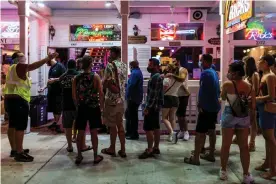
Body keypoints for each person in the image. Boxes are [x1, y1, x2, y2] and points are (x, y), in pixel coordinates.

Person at [4, 51, 58, 162]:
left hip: (10, 99)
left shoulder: (11, 68)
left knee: (12, 124)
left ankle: (15, 149)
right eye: (21, 56)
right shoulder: (18, 66)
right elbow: (33, 66)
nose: (24, 57)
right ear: (16, 59)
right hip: (19, 99)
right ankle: (19, 152)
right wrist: (47, 58)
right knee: (20, 126)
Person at [219, 61, 255, 183]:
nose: (228, 74)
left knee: (226, 145)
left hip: (230, 114)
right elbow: (252, 105)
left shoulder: (227, 84)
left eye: (230, 71)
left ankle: (223, 171)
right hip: (243, 117)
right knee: (244, 147)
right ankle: (246, 175)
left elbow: (223, 98)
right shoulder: (249, 86)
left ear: (236, 73)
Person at [184, 54, 220, 165]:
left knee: (200, 133)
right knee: (212, 129)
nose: (200, 63)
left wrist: (200, 104)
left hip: (206, 107)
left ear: (206, 62)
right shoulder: (214, 72)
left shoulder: (205, 74)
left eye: (201, 61)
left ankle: (195, 158)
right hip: (214, 106)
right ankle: (211, 154)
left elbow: (204, 91)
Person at [72, 56, 104, 165]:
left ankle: (79, 155)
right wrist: (102, 107)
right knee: (94, 132)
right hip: (94, 107)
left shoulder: (76, 78)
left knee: (80, 131)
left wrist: (78, 105)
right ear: (90, 64)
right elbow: (101, 92)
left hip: (81, 107)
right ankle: (95, 156)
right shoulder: (96, 77)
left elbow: (74, 96)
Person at [57, 59, 91, 153]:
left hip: (66, 104)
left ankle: (69, 146)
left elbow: (59, 86)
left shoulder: (63, 76)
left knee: (67, 126)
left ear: (67, 66)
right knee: (80, 125)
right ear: (75, 65)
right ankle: (81, 145)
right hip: (78, 104)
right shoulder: (79, 76)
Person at [101, 47, 127, 158]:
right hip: (121, 99)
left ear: (114, 53)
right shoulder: (124, 65)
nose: (109, 55)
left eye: (110, 52)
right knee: (120, 124)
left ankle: (112, 148)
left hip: (111, 99)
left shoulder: (110, 66)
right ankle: (123, 149)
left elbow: (104, 83)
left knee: (112, 126)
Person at [255, 54, 276, 180]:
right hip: (263, 109)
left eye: (260, 61)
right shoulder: (265, 75)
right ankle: (267, 163)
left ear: (266, 63)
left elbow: (271, 96)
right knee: (267, 138)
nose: (258, 62)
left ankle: (273, 169)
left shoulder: (270, 76)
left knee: (270, 139)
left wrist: (256, 98)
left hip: (268, 109)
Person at [232, 56, 259, 152]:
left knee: (253, 122)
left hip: (251, 101)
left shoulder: (254, 75)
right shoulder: (247, 75)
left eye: (244, 63)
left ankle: (252, 143)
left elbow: (255, 90)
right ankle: (238, 138)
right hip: (245, 102)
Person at [138, 58, 163, 159]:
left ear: (156, 66)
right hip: (156, 107)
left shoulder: (155, 77)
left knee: (148, 129)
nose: (148, 67)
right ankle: (156, 147)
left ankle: (149, 149)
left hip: (152, 107)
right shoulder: (157, 76)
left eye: (150, 65)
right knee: (156, 127)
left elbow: (153, 95)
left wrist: (147, 108)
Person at [40, 56, 66, 133]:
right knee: (54, 108)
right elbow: (49, 80)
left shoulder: (60, 66)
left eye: (46, 61)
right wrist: (44, 87)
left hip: (58, 92)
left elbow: (64, 78)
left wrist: (54, 80)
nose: (46, 63)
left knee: (57, 108)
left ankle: (58, 125)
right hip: (51, 92)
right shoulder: (52, 67)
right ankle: (55, 122)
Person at [162, 63, 183, 142]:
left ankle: (171, 132)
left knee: (164, 118)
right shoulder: (178, 80)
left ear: (170, 70)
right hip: (175, 99)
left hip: (167, 98)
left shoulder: (167, 79)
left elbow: (164, 89)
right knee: (172, 118)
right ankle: (171, 136)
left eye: (167, 68)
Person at [125, 60, 143, 140]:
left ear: (131, 66)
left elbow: (131, 85)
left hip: (133, 98)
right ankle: (130, 132)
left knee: (132, 116)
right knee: (130, 115)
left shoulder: (134, 73)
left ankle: (133, 133)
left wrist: (127, 96)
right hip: (137, 97)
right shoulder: (138, 72)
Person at [175, 61, 190, 141]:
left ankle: (186, 131)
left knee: (182, 115)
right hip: (177, 95)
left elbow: (182, 80)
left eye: (175, 61)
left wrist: (186, 91)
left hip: (184, 95)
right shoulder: (175, 71)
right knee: (178, 114)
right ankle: (181, 130)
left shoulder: (183, 70)